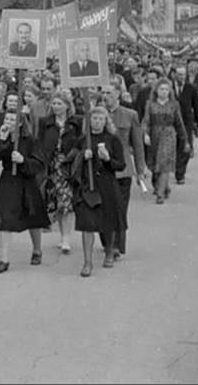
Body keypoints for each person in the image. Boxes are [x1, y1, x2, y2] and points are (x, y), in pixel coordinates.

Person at [0, 111, 49, 273]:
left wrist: (23, 161)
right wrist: (2, 141)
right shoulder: (2, 137)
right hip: (9, 180)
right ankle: (4, 258)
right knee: (5, 217)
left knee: (33, 217)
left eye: (12, 119)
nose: (8, 121)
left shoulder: (31, 140)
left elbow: (38, 164)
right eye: (7, 118)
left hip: (26, 181)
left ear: (20, 123)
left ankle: (37, 250)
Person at [71, 107, 126, 277]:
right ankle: (87, 262)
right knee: (87, 224)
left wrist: (107, 159)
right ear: (89, 121)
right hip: (87, 186)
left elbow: (121, 164)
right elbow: (70, 160)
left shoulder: (113, 139)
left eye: (101, 119)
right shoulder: (82, 140)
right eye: (94, 118)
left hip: (106, 184)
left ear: (106, 121)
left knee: (108, 221)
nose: (97, 122)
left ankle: (109, 251)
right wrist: (82, 156)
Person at [98, 81, 146, 260]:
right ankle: (107, 242)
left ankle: (116, 245)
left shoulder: (130, 114)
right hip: (102, 169)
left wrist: (140, 170)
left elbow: (138, 144)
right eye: (103, 93)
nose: (105, 96)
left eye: (109, 93)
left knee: (119, 209)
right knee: (102, 208)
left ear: (118, 94)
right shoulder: (96, 114)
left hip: (122, 170)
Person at [37, 93, 80, 255]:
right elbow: (40, 143)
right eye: (54, 103)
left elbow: (80, 142)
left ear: (67, 105)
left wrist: (73, 157)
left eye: (59, 103)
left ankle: (66, 238)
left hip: (68, 166)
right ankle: (63, 235)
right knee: (58, 202)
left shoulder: (76, 122)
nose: (56, 106)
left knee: (66, 201)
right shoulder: (45, 122)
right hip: (52, 166)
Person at [141, 78, 189, 204]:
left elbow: (179, 123)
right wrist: (145, 133)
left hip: (169, 135)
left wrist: (185, 140)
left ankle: (160, 194)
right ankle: (165, 187)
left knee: (164, 164)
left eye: (167, 89)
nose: (164, 91)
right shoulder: (150, 104)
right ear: (156, 90)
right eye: (161, 89)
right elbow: (146, 121)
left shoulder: (174, 104)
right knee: (154, 164)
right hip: (154, 135)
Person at [171, 65, 198, 185]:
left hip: (186, 122)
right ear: (175, 75)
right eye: (179, 74)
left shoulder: (191, 88)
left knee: (185, 148)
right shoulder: (168, 87)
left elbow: (197, 107)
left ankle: (180, 174)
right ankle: (175, 165)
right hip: (171, 122)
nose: (182, 77)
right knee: (173, 146)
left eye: (184, 74)